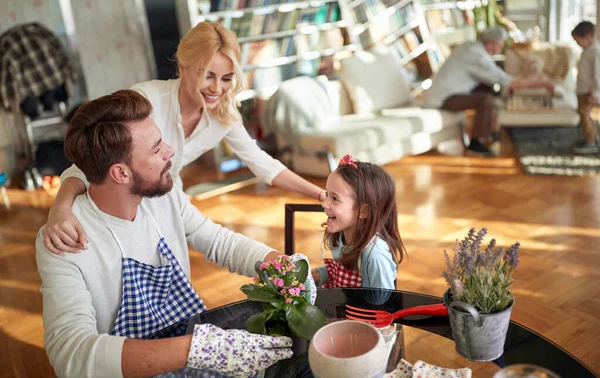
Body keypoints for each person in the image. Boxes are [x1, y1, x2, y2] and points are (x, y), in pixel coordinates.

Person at [35, 90, 318, 378]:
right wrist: (196, 350)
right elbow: (69, 352)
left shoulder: (163, 196)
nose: (170, 151)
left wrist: (282, 265)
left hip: (192, 348)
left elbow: (220, 242)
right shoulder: (64, 239)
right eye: (157, 149)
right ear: (120, 174)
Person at [44, 21, 326, 255]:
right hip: (123, 201)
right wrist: (60, 208)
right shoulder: (145, 100)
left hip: (167, 196)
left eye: (227, 78)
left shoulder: (224, 115)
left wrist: (320, 194)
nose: (217, 88)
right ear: (182, 66)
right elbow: (89, 161)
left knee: (179, 269)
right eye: (208, 75)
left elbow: (263, 164)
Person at [421, 26, 555, 156]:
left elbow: (495, 79)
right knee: (485, 100)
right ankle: (476, 143)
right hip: (442, 99)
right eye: (500, 44)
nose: (501, 48)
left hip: (450, 93)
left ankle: (490, 133)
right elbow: (509, 82)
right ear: (491, 43)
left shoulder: (470, 47)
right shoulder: (476, 55)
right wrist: (543, 83)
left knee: (488, 88)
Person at [310, 155, 406, 290]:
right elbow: (341, 272)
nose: (324, 204)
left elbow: (382, 305)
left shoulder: (375, 257)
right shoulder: (339, 234)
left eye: (335, 198)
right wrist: (317, 274)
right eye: (326, 194)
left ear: (363, 210)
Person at [571, 21, 600, 154]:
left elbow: (597, 74)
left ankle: (590, 142)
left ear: (588, 37)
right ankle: (590, 137)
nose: (577, 44)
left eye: (578, 41)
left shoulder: (596, 51)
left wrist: (596, 92)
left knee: (585, 115)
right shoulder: (587, 50)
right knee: (584, 115)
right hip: (582, 90)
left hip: (589, 92)